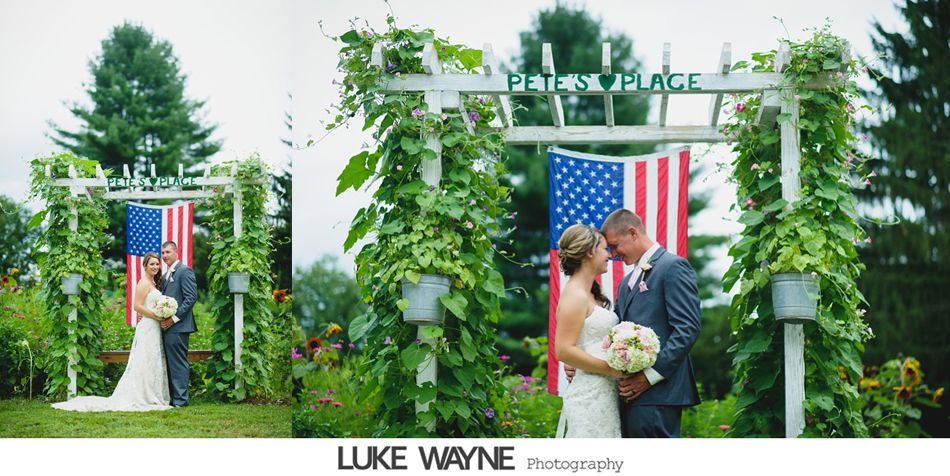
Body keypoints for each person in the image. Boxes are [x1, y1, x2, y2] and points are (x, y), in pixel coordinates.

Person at [600, 208, 701, 437]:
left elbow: (687, 328)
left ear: (633, 233)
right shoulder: (626, 281)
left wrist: (649, 377)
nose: (613, 254)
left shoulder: (672, 267)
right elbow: (614, 329)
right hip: (632, 394)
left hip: (660, 393)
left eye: (615, 245)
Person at [52, 252, 172, 412]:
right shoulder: (144, 283)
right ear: (145, 265)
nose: (155, 267)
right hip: (148, 327)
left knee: (151, 360)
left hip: (154, 328)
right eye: (152, 264)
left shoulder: (153, 283)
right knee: (144, 360)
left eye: (157, 264)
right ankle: (143, 396)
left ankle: (151, 394)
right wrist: (157, 316)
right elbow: (136, 306)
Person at [554, 224, 624, 438]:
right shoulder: (574, 295)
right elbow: (564, 350)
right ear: (589, 251)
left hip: (604, 392)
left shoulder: (589, 293)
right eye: (604, 249)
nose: (609, 255)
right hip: (589, 394)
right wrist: (611, 369)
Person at [159, 240, 197, 407]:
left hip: (178, 326)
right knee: (171, 363)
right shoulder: (167, 274)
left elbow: (191, 298)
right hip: (169, 327)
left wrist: (172, 319)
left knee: (178, 363)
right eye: (163, 253)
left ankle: (181, 400)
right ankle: (174, 399)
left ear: (176, 253)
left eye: (168, 252)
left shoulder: (184, 271)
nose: (165, 255)